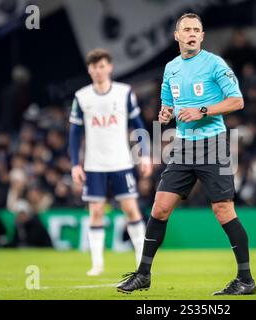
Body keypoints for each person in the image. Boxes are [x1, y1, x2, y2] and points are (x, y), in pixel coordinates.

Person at [117, 13, 256, 295]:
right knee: (159, 208)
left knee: (223, 210)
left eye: (197, 29)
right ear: (177, 36)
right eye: (187, 29)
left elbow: (238, 101)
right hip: (182, 146)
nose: (192, 33)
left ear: (202, 36)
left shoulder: (215, 63)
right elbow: (168, 105)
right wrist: (166, 113)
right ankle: (143, 274)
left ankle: (246, 280)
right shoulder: (171, 68)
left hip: (212, 143)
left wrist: (203, 110)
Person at [69, 48, 152, 276]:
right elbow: (75, 133)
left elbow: (138, 124)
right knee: (95, 211)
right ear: (89, 70)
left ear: (110, 67)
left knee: (130, 209)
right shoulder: (82, 97)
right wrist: (76, 164)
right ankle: (97, 265)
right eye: (95, 67)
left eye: (102, 65)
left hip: (121, 162)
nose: (99, 70)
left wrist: (144, 154)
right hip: (94, 165)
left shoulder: (124, 93)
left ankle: (142, 263)